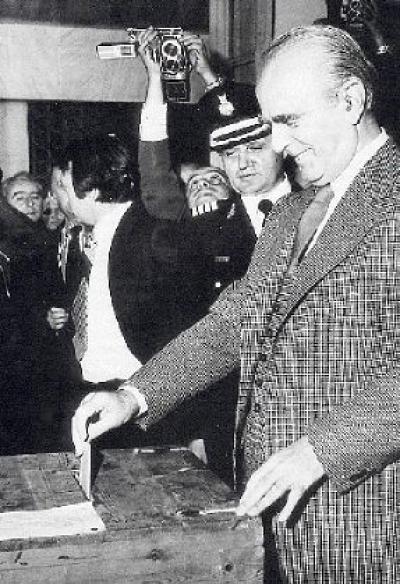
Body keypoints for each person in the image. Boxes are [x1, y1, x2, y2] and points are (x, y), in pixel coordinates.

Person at [72, 24, 400, 582]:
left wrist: (322, 449)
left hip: (368, 523)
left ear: (351, 100)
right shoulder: (291, 215)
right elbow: (230, 326)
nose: (278, 144)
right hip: (273, 519)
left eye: (289, 121)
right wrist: (135, 394)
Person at [0, 172, 70, 452]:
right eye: (19, 197)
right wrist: (42, 320)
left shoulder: (49, 240)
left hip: (44, 363)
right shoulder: (7, 247)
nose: (30, 203)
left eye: (35, 196)